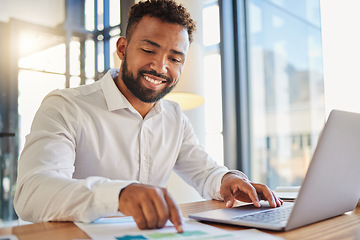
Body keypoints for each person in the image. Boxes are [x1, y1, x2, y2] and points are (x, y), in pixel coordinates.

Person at [14, 0, 282, 233]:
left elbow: (206, 171)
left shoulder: (174, 117)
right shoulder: (65, 106)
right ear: (122, 48)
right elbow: (32, 193)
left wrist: (228, 181)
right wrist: (119, 194)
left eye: (175, 58)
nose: (160, 66)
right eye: (149, 50)